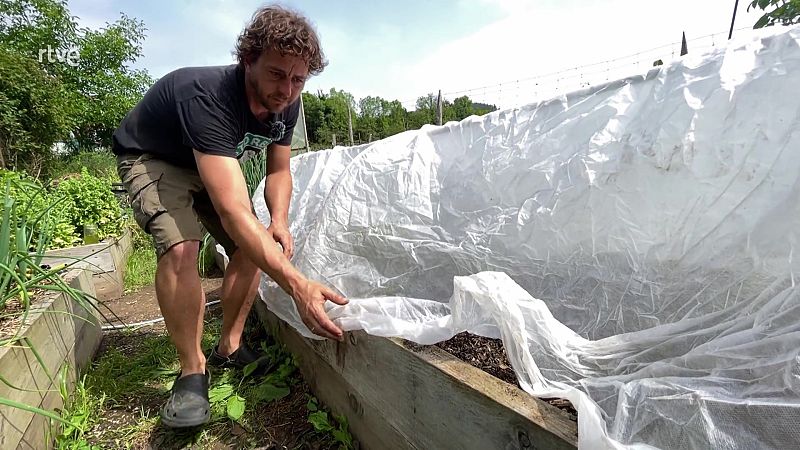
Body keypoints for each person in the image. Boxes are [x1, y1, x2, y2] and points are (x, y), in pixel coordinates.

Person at [112, 5, 347, 428]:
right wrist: (296, 284)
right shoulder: (207, 96)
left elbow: (279, 170)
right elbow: (233, 211)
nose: (287, 89)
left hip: (211, 161)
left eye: (298, 79)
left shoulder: (287, 102)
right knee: (181, 248)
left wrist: (280, 220)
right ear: (248, 61)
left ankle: (230, 347)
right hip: (155, 157)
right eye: (276, 74)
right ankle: (192, 371)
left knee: (255, 245)